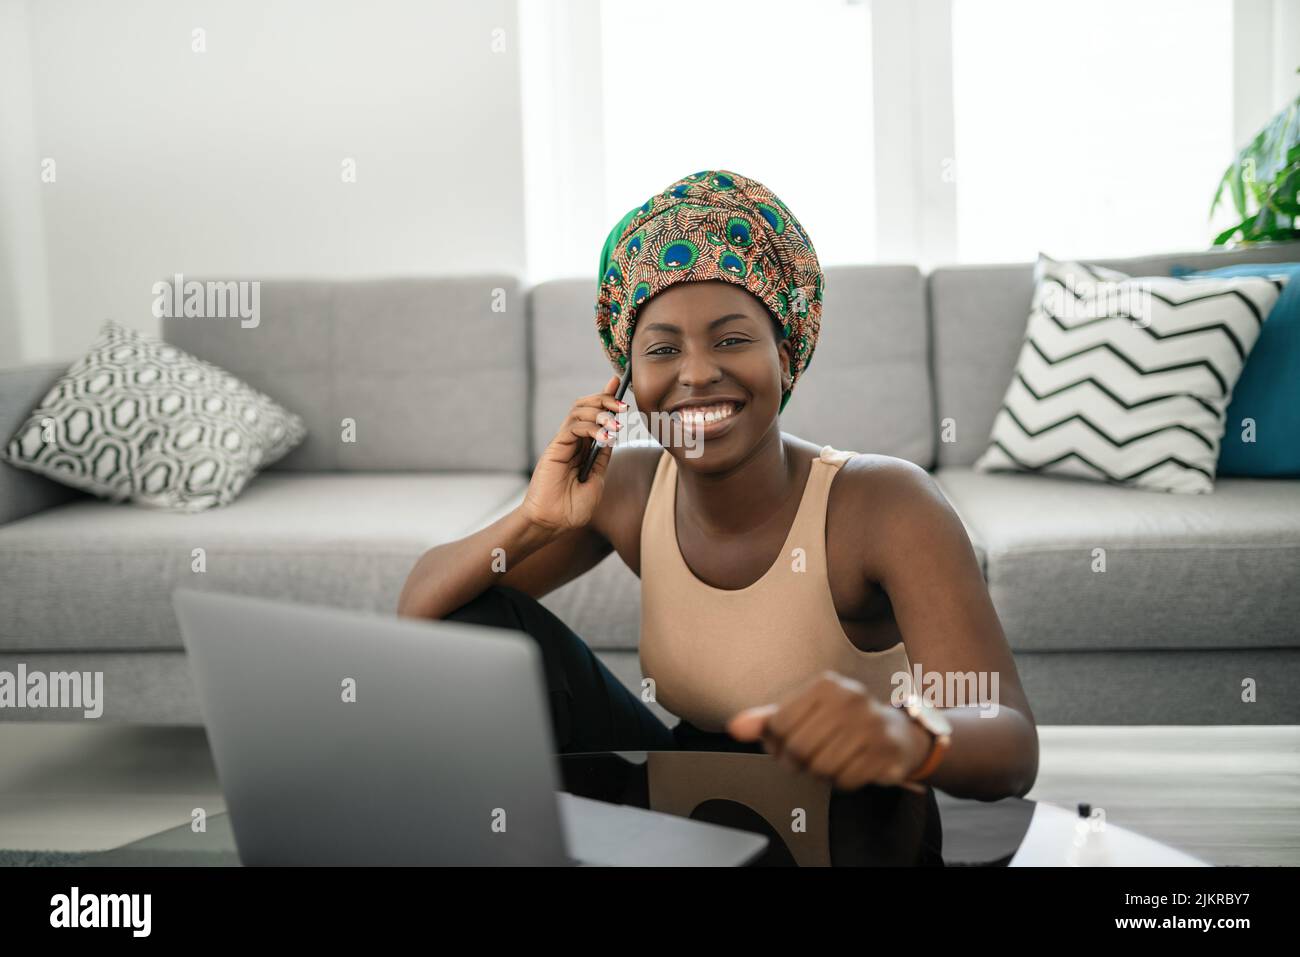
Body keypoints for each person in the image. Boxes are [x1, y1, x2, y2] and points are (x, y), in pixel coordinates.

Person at [398, 169, 1038, 802]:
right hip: (692, 797)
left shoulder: (887, 505)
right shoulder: (627, 487)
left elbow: (1008, 745)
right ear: (626, 381)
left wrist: (906, 736)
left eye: (731, 340)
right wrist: (535, 519)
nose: (697, 374)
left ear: (785, 358)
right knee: (482, 618)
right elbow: (428, 612)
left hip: (854, 818)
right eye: (662, 350)